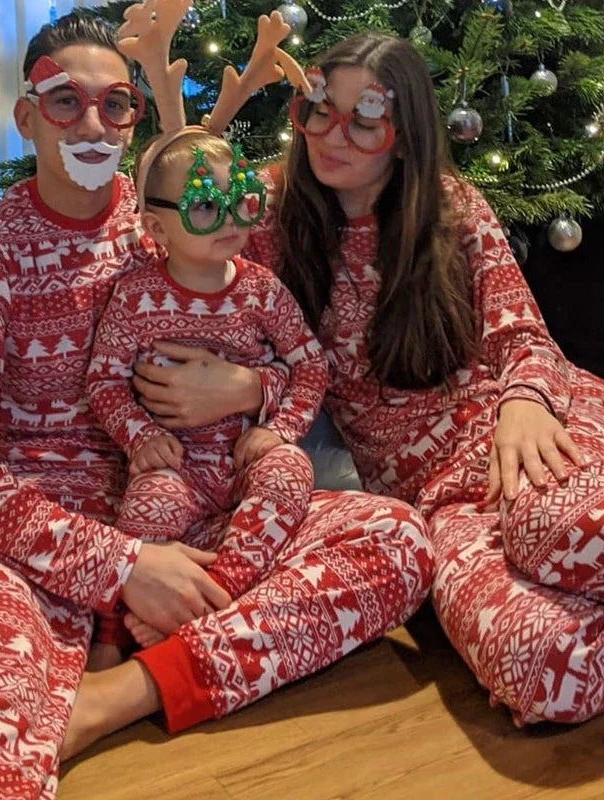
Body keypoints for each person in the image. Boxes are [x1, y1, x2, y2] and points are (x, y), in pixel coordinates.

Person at [0, 11, 433, 798]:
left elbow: (298, 345)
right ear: (25, 117)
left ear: (134, 118)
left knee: (396, 540)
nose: (93, 122)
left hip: (203, 505)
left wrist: (255, 391)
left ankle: (125, 691)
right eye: (64, 102)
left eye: (115, 103)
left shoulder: (192, 208)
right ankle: (115, 656)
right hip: (30, 544)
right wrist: (120, 565)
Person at [238, 31, 604, 726]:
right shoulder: (270, 217)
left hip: (533, 431)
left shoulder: (453, 207)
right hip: (440, 504)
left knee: (551, 530)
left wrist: (525, 403)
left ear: (404, 139)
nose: (331, 134)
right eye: (319, 109)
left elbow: (523, 334)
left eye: (365, 121)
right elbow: (174, 225)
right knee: (542, 669)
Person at [86, 130, 328, 651]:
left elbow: (310, 365)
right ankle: (110, 634)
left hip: (246, 459)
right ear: (156, 227)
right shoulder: (135, 296)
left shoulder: (262, 289)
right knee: (150, 504)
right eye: (203, 207)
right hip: (178, 465)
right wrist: (139, 437)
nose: (232, 220)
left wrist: (281, 430)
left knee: (292, 471)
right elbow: (104, 379)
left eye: (241, 200)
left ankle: (221, 593)